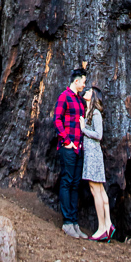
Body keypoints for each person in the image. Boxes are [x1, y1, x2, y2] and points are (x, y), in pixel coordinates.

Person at [53, 67, 87, 238]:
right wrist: (67, 141)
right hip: (68, 147)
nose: (84, 85)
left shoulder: (80, 101)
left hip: (79, 147)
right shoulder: (64, 97)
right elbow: (57, 120)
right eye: (83, 82)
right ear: (76, 81)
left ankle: (74, 222)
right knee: (66, 181)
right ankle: (67, 222)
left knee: (75, 183)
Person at [81, 86, 114, 241]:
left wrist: (83, 129)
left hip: (94, 155)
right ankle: (108, 225)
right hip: (91, 154)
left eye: (88, 91)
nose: (85, 92)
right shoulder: (90, 113)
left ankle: (101, 228)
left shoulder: (95, 113)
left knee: (96, 190)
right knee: (99, 190)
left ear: (93, 96)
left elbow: (99, 135)